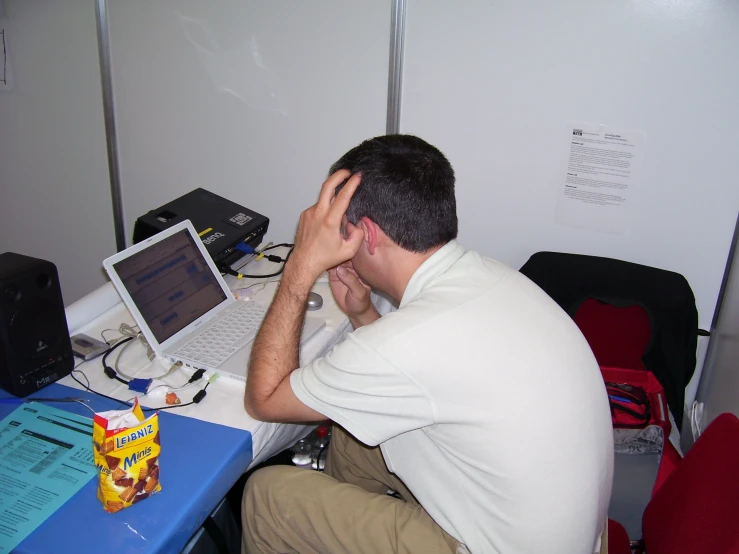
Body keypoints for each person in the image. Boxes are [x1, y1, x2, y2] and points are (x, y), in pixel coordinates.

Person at [242, 135, 614, 554]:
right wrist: (363, 315)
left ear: (367, 234)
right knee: (354, 434)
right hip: (563, 536)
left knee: (268, 496)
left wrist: (301, 265)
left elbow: (266, 400)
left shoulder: (405, 341)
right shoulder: (493, 278)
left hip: (493, 547)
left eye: (339, 231)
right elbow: (420, 373)